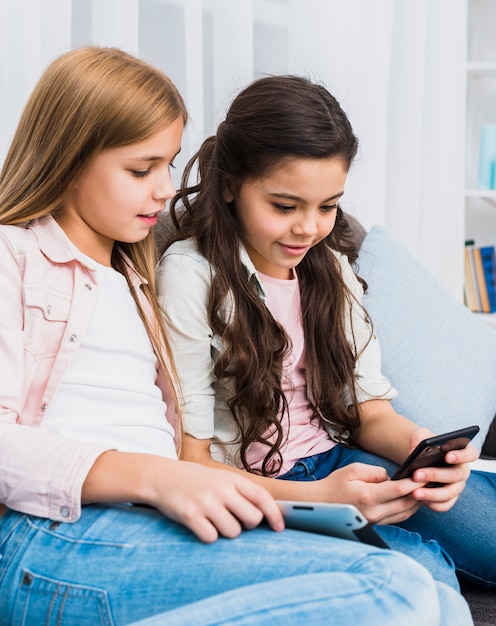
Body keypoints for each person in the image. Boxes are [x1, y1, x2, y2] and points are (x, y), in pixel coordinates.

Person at [0, 46, 466, 626]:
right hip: (56, 531)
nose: (165, 190)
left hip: (173, 517)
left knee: (434, 596)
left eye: (168, 166)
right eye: (141, 169)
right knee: (393, 587)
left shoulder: (135, 281)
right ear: (67, 158)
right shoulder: (14, 256)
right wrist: (160, 475)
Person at [157, 73, 496, 597]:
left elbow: (368, 411)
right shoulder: (189, 276)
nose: (308, 229)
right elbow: (191, 461)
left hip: (343, 462)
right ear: (230, 186)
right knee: (424, 586)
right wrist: (323, 498)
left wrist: (420, 449)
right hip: (263, 491)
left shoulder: (330, 267)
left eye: (328, 205)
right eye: (285, 207)